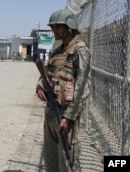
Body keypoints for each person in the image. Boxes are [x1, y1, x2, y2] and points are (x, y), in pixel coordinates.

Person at [36, 9, 91, 172]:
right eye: (53, 27)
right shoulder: (57, 50)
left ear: (69, 27)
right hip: (51, 113)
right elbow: (47, 72)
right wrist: (40, 85)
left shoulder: (80, 50)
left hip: (66, 116)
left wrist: (69, 117)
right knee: (51, 162)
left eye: (58, 27)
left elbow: (83, 88)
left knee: (67, 163)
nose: (54, 30)